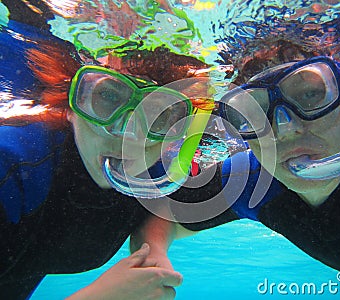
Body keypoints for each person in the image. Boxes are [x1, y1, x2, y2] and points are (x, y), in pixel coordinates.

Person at [144, 37, 340, 291]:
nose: (284, 128)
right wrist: (153, 256)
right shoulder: (256, 182)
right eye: (254, 112)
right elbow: (166, 214)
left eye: (310, 94)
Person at [0, 2, 210, 298]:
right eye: (108, 96)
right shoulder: (12, 167)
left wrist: (151, 249)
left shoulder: (164, 170)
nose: (128, 133)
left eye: (159, 112)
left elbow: (166, 209)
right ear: (71, 104)